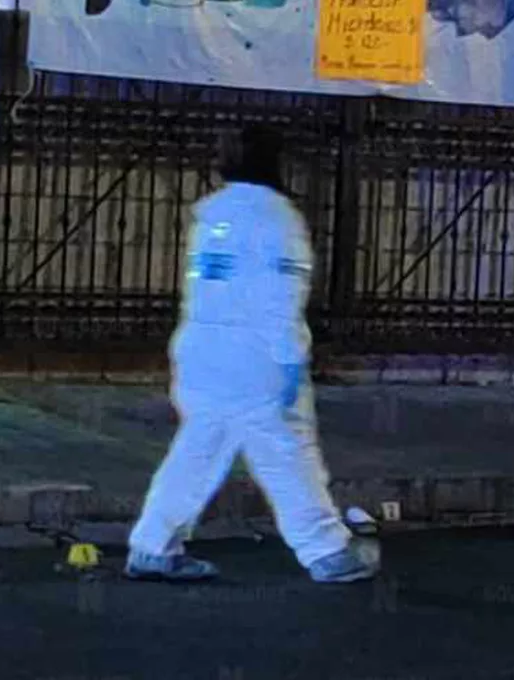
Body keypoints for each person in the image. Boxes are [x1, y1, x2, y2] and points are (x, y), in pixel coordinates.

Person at [125, 125, 379, 585]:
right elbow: (278, 296)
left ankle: (152, 544)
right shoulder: (277, 219)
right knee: (287, 450)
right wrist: (290, 360)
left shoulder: (211, 216)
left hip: (200, 351)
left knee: (199, 450)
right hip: (255, 357)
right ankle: (327, 550)